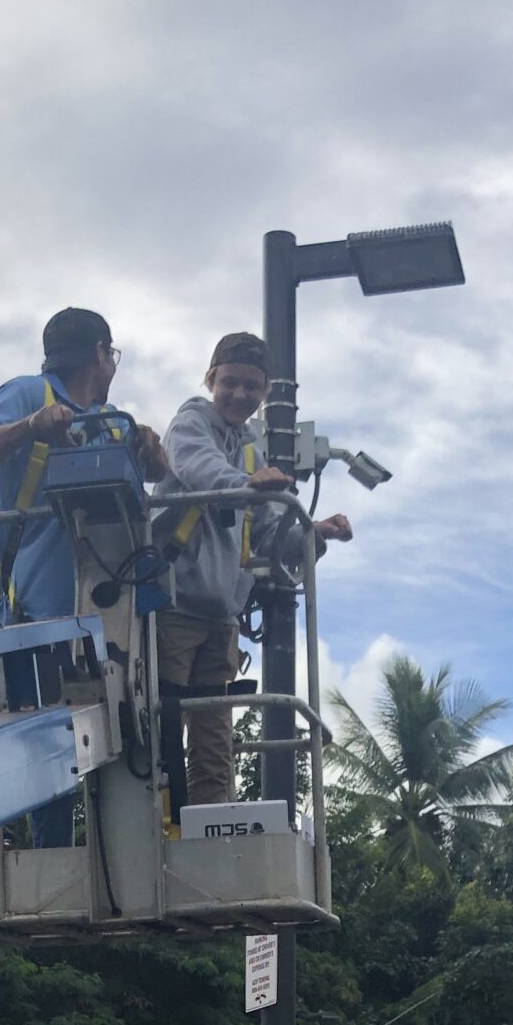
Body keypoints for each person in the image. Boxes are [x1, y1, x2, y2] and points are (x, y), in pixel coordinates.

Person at [0, 309, 168, 846]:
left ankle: (107, 862)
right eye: (111, 356)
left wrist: (149, 448)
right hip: (33, 611)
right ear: (101, 354)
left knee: (115, 744)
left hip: (104, 623)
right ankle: (52, 859)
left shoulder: (112, 421)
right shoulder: (30, 395)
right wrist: (32, 427)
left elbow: (156, 479)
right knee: (45, 752)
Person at [156, 331, 352, 815]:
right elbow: (200, 469)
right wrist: (247, 486)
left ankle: (209, 836)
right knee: (160, 731)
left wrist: (314, 534)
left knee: (214, 744)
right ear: (210, 379)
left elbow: (270, 536)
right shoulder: (189, 425)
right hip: (172, 609)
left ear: (265, 394)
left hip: (220, 619)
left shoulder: (249, 452)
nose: (241, 394)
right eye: (231, 382)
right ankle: (154, 837)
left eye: (252, 386)